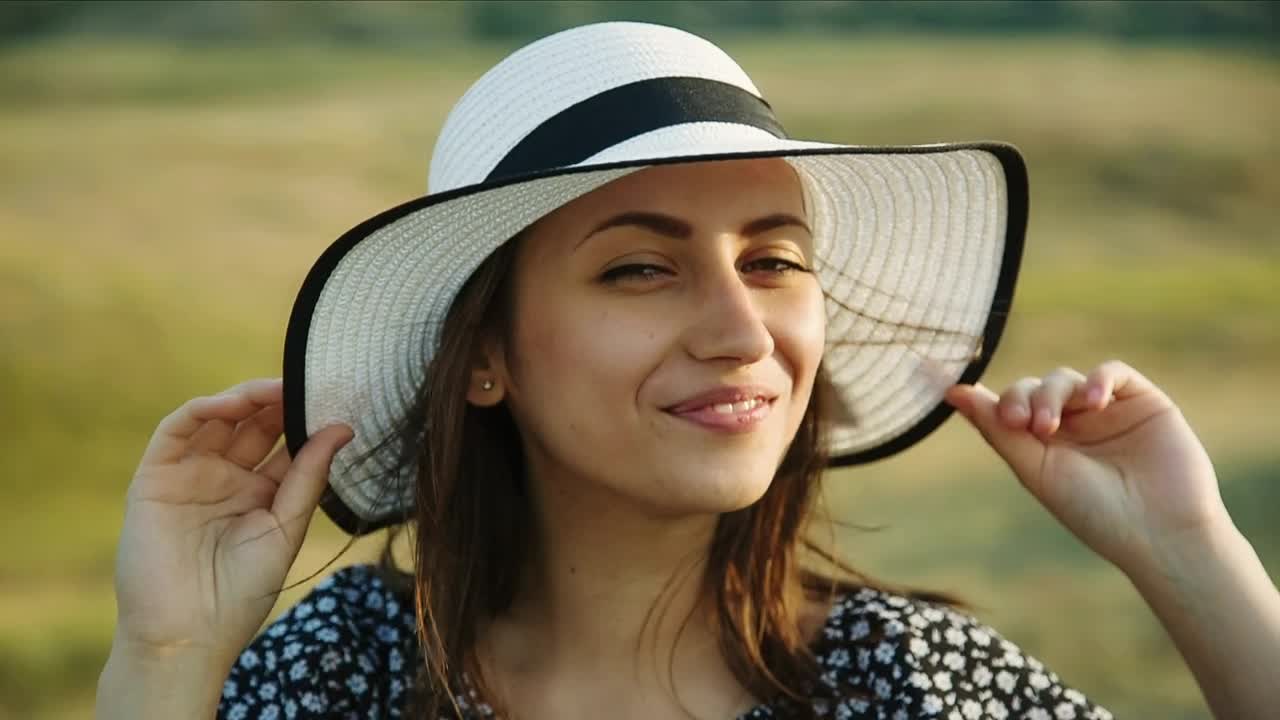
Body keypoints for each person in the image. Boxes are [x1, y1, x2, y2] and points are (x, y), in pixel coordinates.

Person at [96, 22, 1278, 720]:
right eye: (637, 271)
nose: (739, 330)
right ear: (486, 358)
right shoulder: (337, 674)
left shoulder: (904, 686)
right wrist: (164, 657)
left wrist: (1186, 551)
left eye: (771, 259)